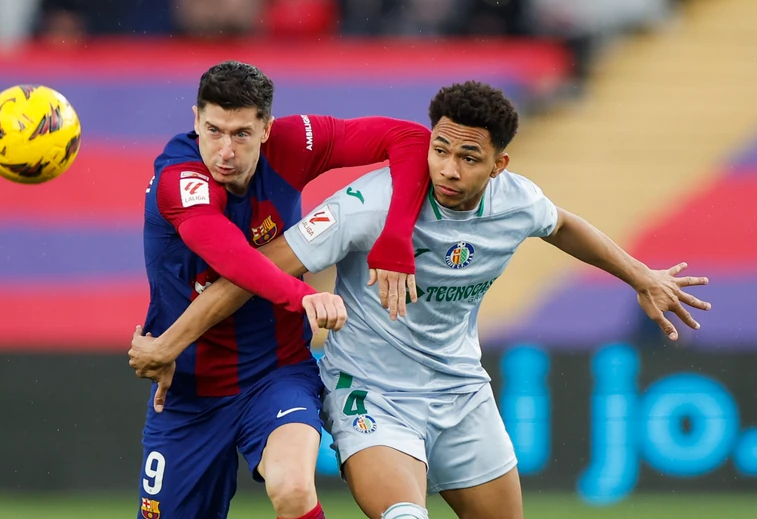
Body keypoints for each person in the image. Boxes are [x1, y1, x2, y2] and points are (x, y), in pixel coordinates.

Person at [131, 80, 712, 519]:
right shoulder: (365, 204)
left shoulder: (516, 201)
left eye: (469, 159)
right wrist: (171, 343)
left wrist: (640, 276)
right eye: (440, 150)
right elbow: (248, 272)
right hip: (371, 394)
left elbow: (562, 225)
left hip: (462, 390)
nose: (448, 170)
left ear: (499, 166)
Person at [129, 60, 432, 519]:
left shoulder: (294, 143)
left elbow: (409, 139)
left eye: (242, 134)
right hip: (188, 390)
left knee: (292, 488)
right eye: (213, 130)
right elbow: (231, 257)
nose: (225, 151)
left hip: (276, 374)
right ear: (196, 120)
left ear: (267, 129)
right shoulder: (180, 179)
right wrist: (303, 295)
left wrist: (395, 236)